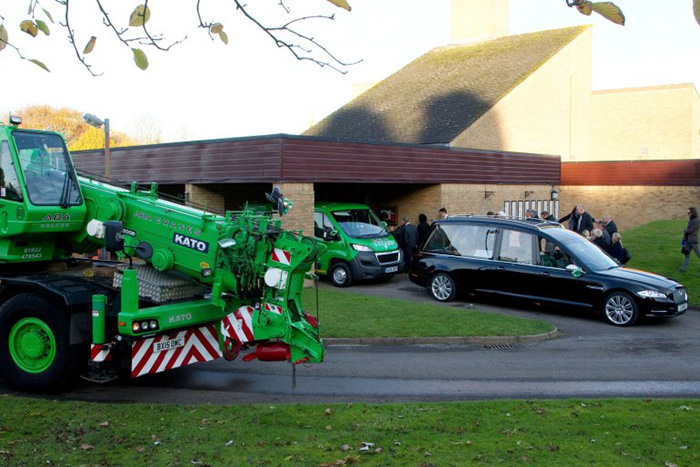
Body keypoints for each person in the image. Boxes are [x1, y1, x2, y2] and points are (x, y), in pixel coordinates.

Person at [681, 206, 700, 272]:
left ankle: (683, 269)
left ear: (693, 212)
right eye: (687, 213)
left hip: (693, 241)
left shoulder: (696, 221)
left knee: (698, 254)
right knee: (687, 255)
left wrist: (686, 230)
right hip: (688, 241)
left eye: (689, 213)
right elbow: (685, 233)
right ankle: (683, 269)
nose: (688, 214)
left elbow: (691, 230)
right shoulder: (690, 220)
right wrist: (683, 243)